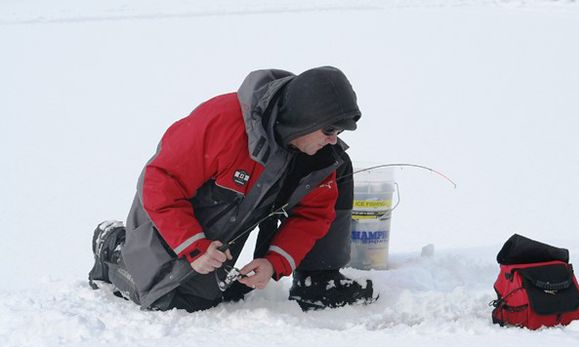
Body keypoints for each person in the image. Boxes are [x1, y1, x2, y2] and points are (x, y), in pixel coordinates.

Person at [88, 66, 376, 312]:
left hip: (229, 223)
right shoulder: (223, 121)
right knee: (168, 300)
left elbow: (312, 216)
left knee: (201, 298)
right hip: (173, 215)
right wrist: (193, 245)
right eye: (329, 131)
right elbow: (160, 180)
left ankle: (318, 280)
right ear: (304, 120)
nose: (334, 141)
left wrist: (274, 262)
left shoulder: (317, 157)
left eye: (339, 133)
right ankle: (114, 247)